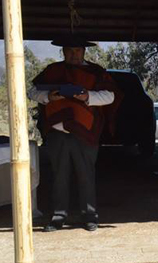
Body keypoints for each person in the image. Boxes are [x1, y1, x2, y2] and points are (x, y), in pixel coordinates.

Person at [29, 34, 119, 232]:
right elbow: (32, 91)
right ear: (63, 51)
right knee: (59, 175)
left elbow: (110, 96)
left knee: (86, 174)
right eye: (69, 50)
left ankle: (90, 215)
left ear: (84, 51)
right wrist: (48, 97)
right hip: (57, 132)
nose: (73, 54)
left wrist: (88, 96)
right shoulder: (53, 71)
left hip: (85, 132)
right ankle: (58, 216)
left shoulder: (96, 72)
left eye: (77, 50)